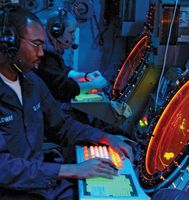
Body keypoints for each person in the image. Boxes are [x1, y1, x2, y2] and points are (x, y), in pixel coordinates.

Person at [0, 5, 133, 199]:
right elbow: (3, 167)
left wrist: (105, 138)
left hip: (39, 184)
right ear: (8, 44)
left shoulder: (32, 83)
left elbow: (63, 125)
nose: (42, 53)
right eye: (36, 44)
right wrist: (71, 170)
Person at [35, 9, 108, 103]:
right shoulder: (46, 56)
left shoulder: (51, 51)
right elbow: (63, 88)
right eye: (71, 32)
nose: (73, 37)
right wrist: (93, 85)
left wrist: (85, 76)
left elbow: (62, 70)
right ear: (57, 32)